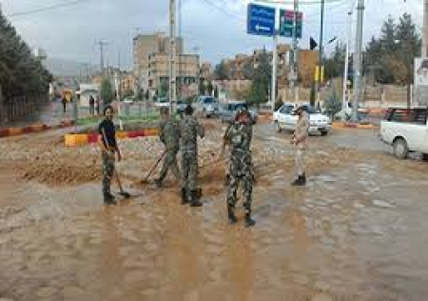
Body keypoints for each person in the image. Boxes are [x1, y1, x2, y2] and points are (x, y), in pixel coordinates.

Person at [224, 108, 256, 227]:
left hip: (234, 164)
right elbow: (252, 121)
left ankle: (230, 216)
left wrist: (234, 122)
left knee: (232, 189)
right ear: (243, 117)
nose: (248, 118)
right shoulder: (248, 128)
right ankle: (247, 218)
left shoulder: (231, 129)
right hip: (245, 165)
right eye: (246, 116)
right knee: (247, 190)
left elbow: (226, 140)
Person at [179, 105, 205, 207]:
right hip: (192, 151)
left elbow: (179, 135)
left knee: (184, 174)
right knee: (192, 174)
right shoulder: (194, 121)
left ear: (185, 112)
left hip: (183, 151)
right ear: (192, 112)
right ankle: (193, 200)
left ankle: (184, 198)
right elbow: (202, 134)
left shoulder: (180, 122)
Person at [98, 106, 122, 205]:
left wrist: (118, 152)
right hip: (106, 152)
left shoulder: (111, 124)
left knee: (110, 172)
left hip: (112, 151)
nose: (110, 114)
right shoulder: (102, 125)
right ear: (105, 114)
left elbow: (113, 140)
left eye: (111, 112)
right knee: (106, 174)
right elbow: (99, 141)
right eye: (108, 112)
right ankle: (106, 198)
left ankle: (108, 193)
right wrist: (106, 151)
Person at [155, 107, 182, 189]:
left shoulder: (161, 122)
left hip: (170, 145)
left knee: (172, 164)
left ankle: (183, 183)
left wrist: (166, 144)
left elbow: (161, 136)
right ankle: (160, 179)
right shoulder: (175, 120)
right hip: (177, 145)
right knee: (167, 161)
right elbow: (180, 133)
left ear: (161, 113)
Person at [291, 105, 309, 186]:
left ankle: (301, 179)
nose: (295, 113)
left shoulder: (305, 119)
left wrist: (296, 140)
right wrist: (293, 135)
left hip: (302, 143)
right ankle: (301, 177)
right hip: (299, 143)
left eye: (296, 111)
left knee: (299, 161)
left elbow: (304, 133)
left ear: (300, 110)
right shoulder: (300, 118)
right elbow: (298, 128)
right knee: (298, 161)